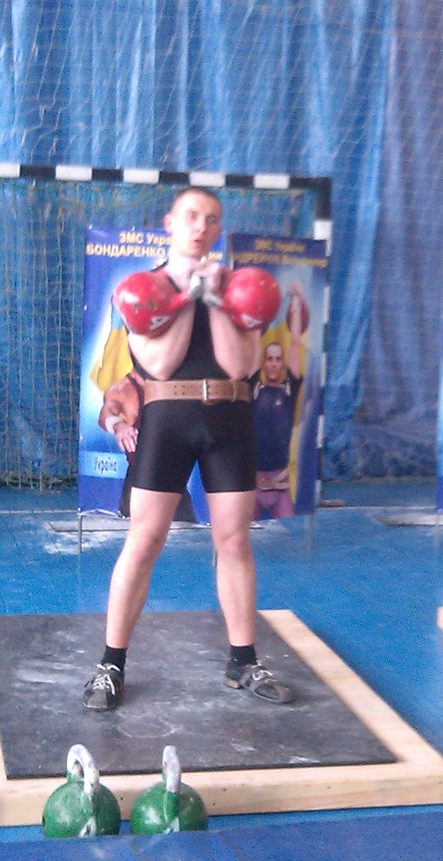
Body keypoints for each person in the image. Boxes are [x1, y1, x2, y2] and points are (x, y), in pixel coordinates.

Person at [83, 186, 294, 710]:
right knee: (145, 539)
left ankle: (243, 661)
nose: (202, 226)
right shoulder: (144, 288)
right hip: (168, 421)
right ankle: (111, 664)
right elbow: (161, 363)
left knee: (235, 542)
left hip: (229, 420)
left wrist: (215, 296)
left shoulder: (241, 290)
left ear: (219, 229)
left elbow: (239, 364)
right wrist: (185, 296)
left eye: (212, 219)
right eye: (192, 216)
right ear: (171, 223)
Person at [98, 368, 196, 521]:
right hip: (141, 480)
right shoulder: (122, 390)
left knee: (186, 531)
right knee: (140, 533)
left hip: (174, 480)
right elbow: (106, 413)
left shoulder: (173, 384)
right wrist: (117, 424)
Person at [250, 283, 308, 519]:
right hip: (253, 485)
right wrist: (256, 306)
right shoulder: (254, 389)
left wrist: (296, 301)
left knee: (288, 536)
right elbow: (255, 341)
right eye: (269, 359)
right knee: (245, 537)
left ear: (283, 364)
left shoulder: (289, 390)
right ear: (263, 363)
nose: (274, 363)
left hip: (281, 486)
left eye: (278, 359)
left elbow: (295, 342)